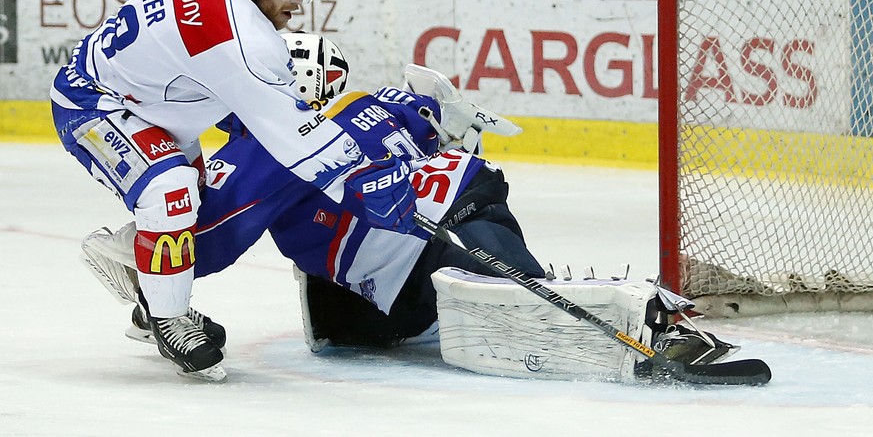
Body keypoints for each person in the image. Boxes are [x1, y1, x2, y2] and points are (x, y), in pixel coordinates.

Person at [79, 35, 739, 382]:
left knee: (523, 297)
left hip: (430, 234)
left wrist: (157, 278)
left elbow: (211, 240)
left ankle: (650, 320)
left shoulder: (268, 146)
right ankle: (625, 315)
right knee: (412, 302)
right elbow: (439, 111)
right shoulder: (372, 101)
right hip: (455, 208)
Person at [50, 0, 420, 382]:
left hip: (152, 100)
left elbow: (201, 62)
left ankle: (149, 289)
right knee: (170, 191)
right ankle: (167, 319)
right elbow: (299, 140)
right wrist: (368, 180)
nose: (298, 1)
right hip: (93, 102)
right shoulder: (240, 39)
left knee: (202, 207)